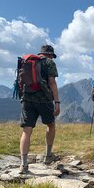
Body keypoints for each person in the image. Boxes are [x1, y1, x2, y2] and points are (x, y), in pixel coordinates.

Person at [19, 45, 60, 174]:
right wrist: (57, 101)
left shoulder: (26, 61)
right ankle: (48, 156)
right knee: (51, 125)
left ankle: (23, 165)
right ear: (50, 55)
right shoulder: (49, 63)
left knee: (26, 131)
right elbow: (52, 82)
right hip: (44, 99)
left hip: (27, 99)